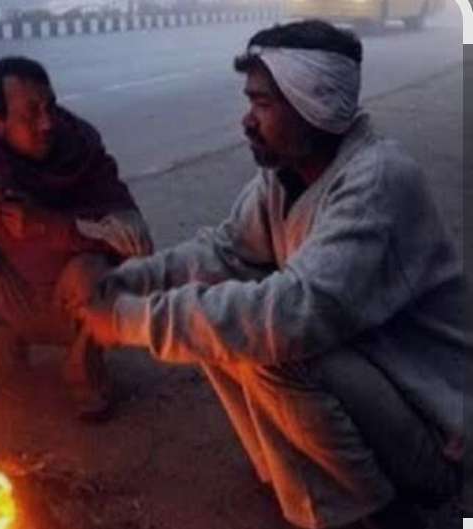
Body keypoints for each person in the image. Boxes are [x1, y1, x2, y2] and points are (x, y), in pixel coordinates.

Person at [61, 20, 466, 529]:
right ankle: (292, 477)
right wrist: (126, 282)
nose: (247, 121)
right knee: (218, 307)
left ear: (314, 106)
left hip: (437, 432)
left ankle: (377, 514)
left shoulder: (379, 180)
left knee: (268, 342)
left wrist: (126, 321)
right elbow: (224, 251)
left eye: (263, 104)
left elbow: (292, 316)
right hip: (376, 385)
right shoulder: (286, 176)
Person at [0, 56, 152, 420]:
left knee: (93, 272)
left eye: (49, 107)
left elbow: (138, 241)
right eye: (30, 114)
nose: (47, 123)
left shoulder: (82, 150)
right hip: (12, 296)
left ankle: (84, 371)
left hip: (73, 304)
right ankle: (4, 354)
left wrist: (48, 226)